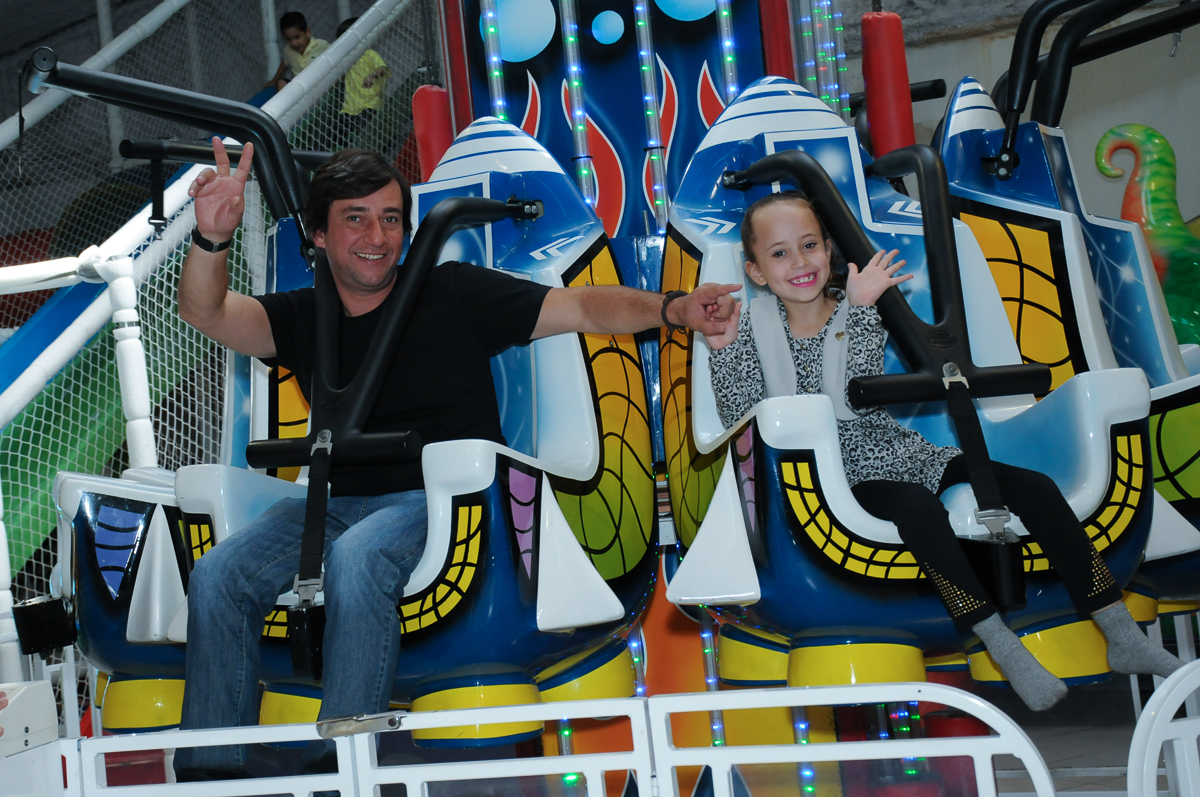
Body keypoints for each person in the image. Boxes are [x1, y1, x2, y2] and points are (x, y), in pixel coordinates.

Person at [173, 138, 737, 780]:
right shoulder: (302, 316)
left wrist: (673, 310)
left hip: (445, 502)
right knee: (218, 575)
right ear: (320, 235)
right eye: (355, 218)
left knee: (356, 561)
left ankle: (347, 770)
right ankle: (210, 776)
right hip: (336, 502)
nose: (376, 235)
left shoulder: (452, 293)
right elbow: (208, 311)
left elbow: (581, 307)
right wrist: (212, 239)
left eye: (390, 218)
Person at [706, 191, 1183, 712]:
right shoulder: (750, 328)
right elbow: (749, 418)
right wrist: (725, 350)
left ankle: (1119, 631)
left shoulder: (855, 308)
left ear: (828, 250)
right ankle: (999, 644)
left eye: (809, 245)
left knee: (1033, 488)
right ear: (755, 271)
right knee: (918, 509)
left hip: (899, 453)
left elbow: (857, 395)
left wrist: (864, 311)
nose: (799, 262)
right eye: (779, 253)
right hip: (831, 477)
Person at [333, 17, 389, 149]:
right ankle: (342, 150)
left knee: (364, 127)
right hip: (350, 106)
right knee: (337, 128)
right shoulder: (345, 60)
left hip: (369, 103)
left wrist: (372, 76)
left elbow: (382, 67)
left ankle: (366, 148)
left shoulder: (369, 54)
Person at [267, 12, 330, 93]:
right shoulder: (288, 51)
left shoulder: (321, 46)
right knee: (281, 82)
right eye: (289, 39)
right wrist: (274, 80)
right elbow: (285, 63)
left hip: (320, 89)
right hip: (299, 92)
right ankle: (289, 104)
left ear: (307, 32)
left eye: (297, 37)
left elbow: (337, 57)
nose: (294, 43)